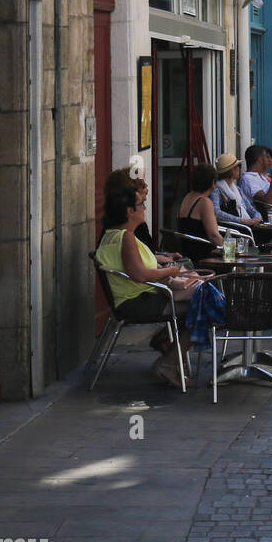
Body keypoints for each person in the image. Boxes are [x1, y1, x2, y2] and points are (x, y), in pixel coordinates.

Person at [95, 183, 203, 388]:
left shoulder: (112, 235)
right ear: (130, 211)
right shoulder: (126, 237)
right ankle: (168, 363)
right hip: (138, 301)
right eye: (142, 204)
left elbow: (134, 263)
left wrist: (161, 258)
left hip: (136, 299)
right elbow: (140, 274)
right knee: (201, 307)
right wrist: (170, 271)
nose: (144, 208)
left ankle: (164, 343)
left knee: (197, 300)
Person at [177, 164, 226, 262]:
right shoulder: (204, 202)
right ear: (212, 183)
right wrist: (231, 249)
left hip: (187, 255)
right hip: (204, 258)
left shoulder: (187, 197)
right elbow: (213, 236)